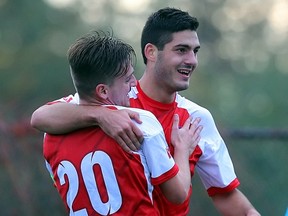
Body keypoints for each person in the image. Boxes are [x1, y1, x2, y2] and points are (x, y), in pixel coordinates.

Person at [31, 7, 260, 216]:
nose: (191, 60)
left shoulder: (197, 119)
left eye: (195, 51)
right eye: (181, 50)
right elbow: (40, 117)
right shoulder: (116, 101)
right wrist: (101, 115)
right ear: (151, 52)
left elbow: (226, 195)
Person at [41, 31, 202, 215]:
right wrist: (182, 149)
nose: (134, 84)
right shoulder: (140, 122)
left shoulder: (51, 133)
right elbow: (178, 194)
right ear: (103, 91)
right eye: (127, 79)